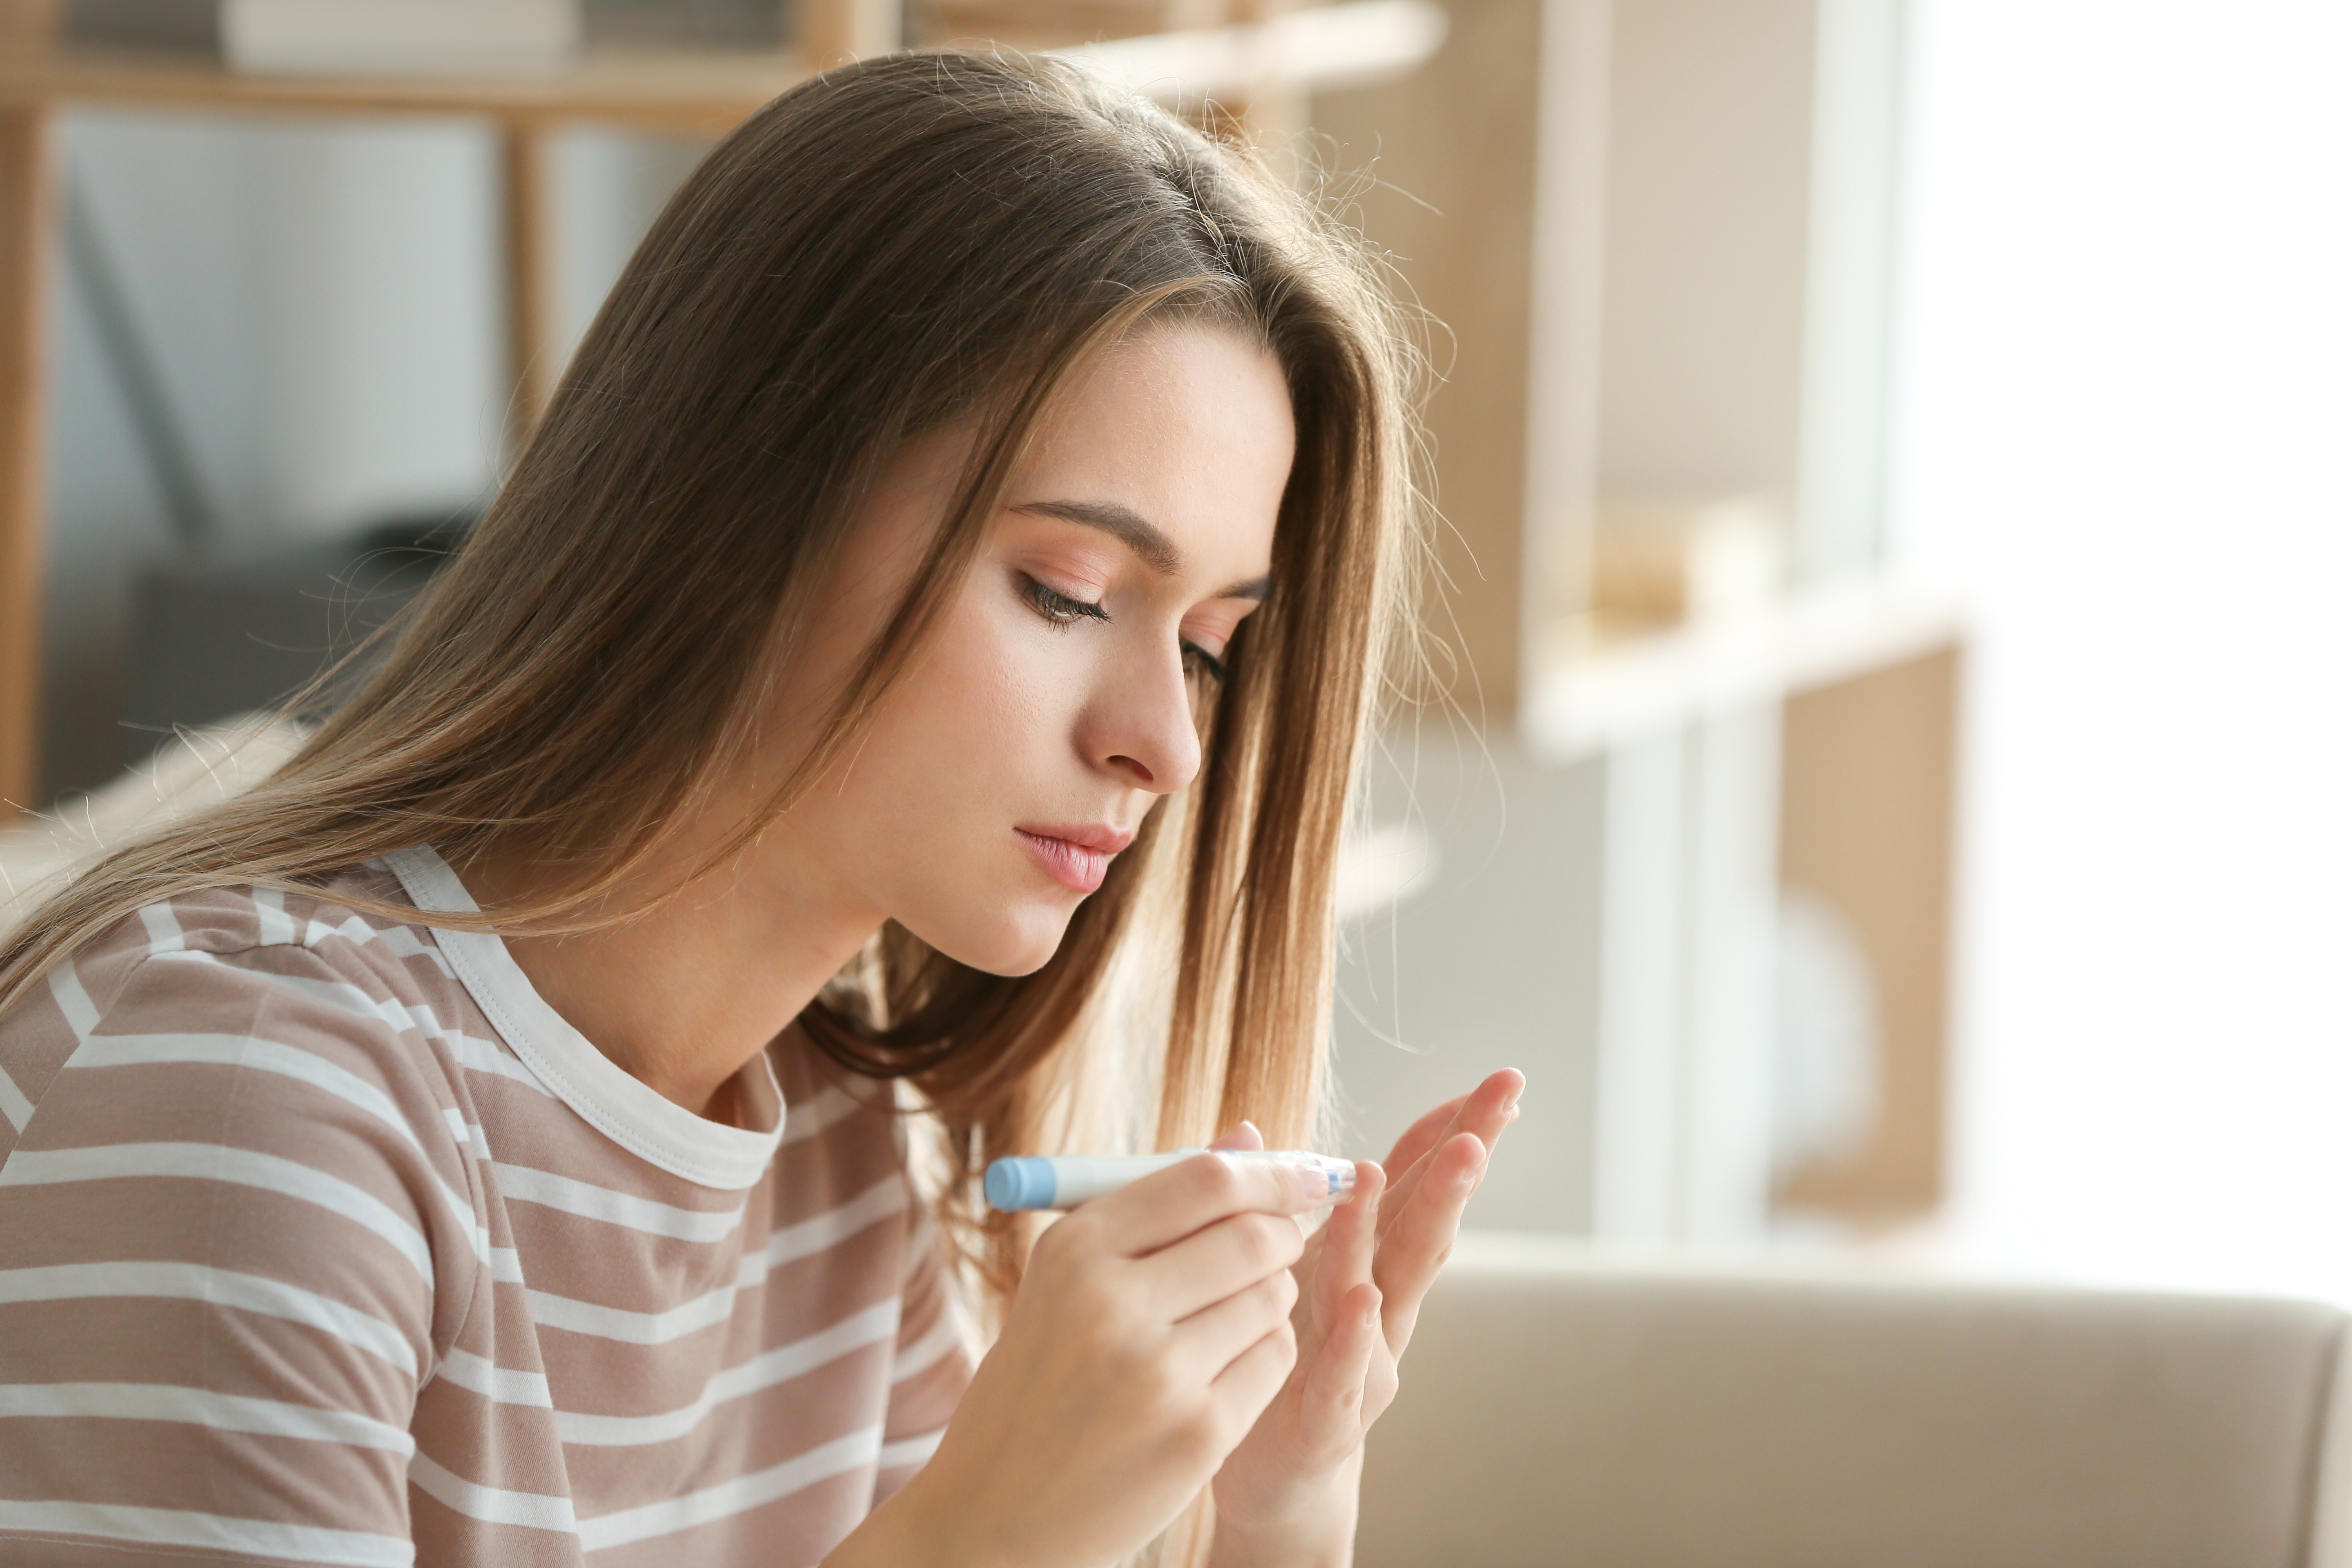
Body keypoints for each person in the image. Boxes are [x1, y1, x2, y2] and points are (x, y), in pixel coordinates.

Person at [0, 50, 1521, 1568]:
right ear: (748, 511)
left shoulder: (839, 1153)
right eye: (1067, 592)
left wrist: (1277, 1514)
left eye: (1205, 649)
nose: (1165, 746)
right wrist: (978, 1536)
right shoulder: (252, 1101)